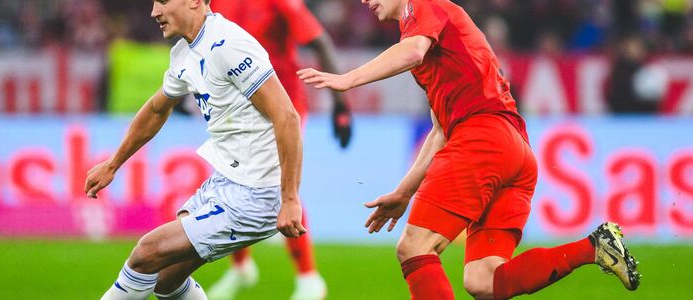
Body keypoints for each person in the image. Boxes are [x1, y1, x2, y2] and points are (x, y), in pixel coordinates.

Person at [297, 0, 641, 299]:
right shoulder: (438, 37)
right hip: (513, 150)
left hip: (482, 140)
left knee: (414, 247)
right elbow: (440, 132)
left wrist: (347, 80)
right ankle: (594, 247)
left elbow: (413, 51)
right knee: (485, 281)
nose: (363, 0)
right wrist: (404, 193)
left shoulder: (424, 8)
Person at [85, 0, 307, 299]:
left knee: (146, 253)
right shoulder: (183, 52)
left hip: (256, 193)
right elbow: (156, 110)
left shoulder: (229, 44)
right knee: (166, 280)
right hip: (226, 180)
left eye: (163, 1)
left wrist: (290, 199)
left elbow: (287, 117)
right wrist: (113, 164)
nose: (154, 12)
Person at [206, 0, 351, 298]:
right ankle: (241, 267)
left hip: (284, 105)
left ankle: (309, 278)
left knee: (280, 187)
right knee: (234, 183)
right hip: (237, 107)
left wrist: (340, 103)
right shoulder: (217, 3)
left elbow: (319, 40)